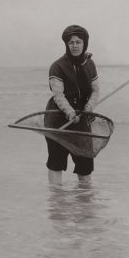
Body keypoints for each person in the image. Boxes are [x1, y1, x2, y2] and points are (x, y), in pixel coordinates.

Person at [45, 24, 100, 185]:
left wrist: (89, 107)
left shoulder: (90, 64)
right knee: (56, 162)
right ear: (66, 45)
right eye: (71, 43)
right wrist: (69, 112)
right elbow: (58, 95)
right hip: (57, 119)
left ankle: (83, 205)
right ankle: (57, 201)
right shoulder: (58, 66)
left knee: (85, 165)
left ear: (85, 43)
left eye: (78, 42)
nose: (75, 46)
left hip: (82, 118)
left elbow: (95, 91)